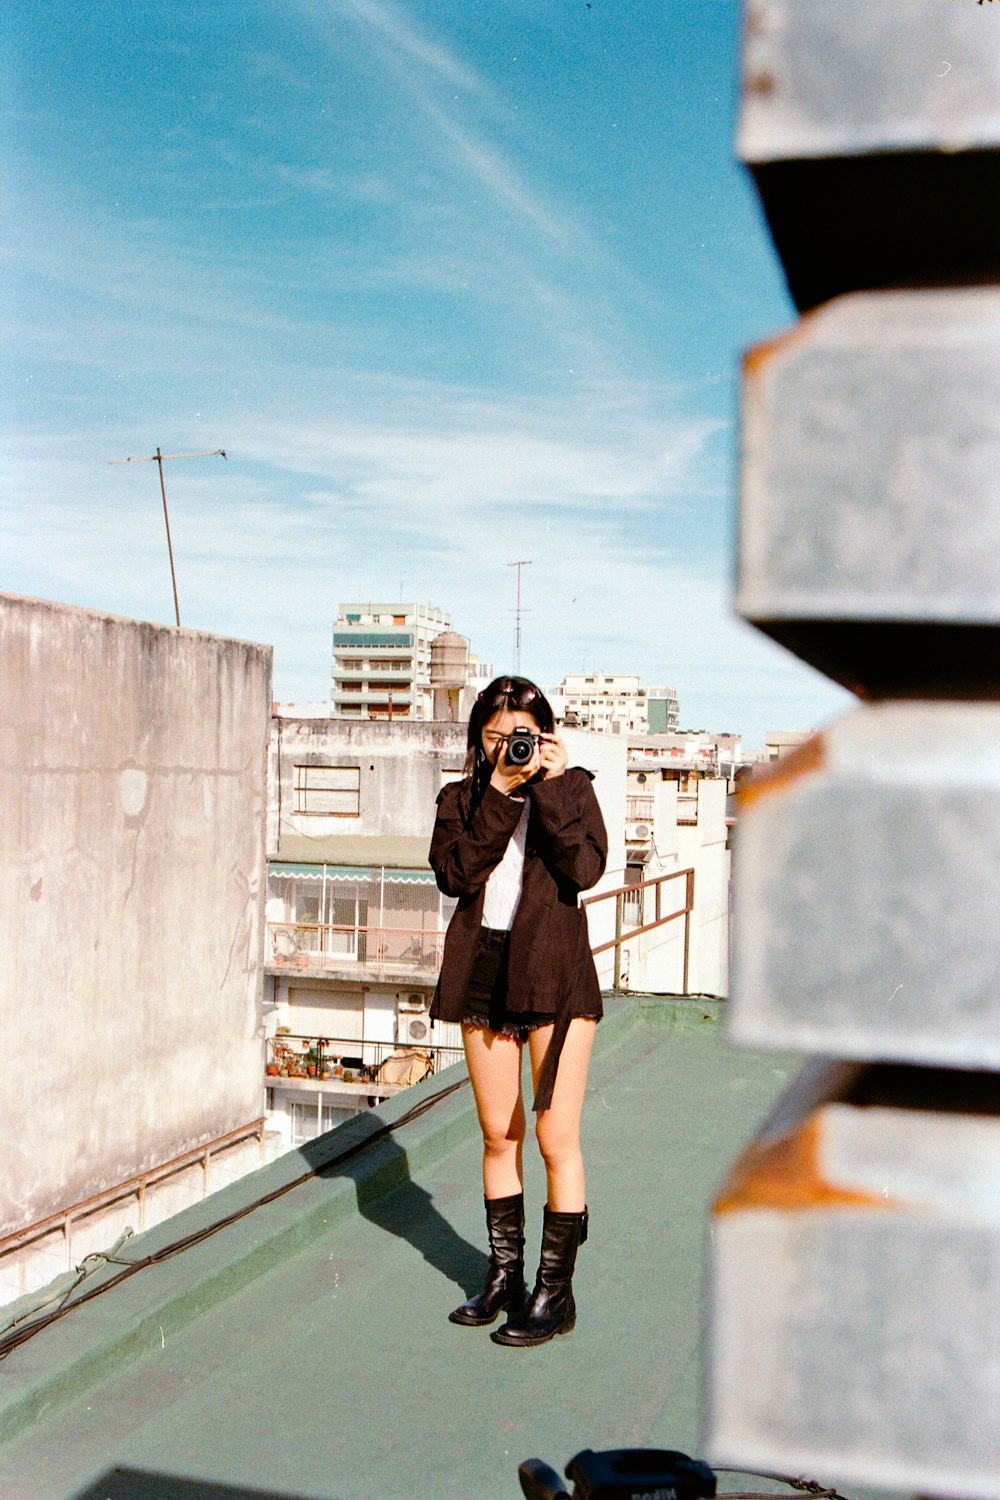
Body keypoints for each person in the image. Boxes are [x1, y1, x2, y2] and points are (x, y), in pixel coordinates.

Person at [428, 674, 608, 1347]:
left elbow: (584, 871)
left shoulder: (574, 790)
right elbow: (455, 875)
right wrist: (501, 792)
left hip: (554, 976)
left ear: (549, 737)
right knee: (497, 1135)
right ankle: (505, 1276)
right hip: (486, 971)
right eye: (499, 735)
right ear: (479, 737)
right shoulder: (461, 799)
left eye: (525, 735)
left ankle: (554, 1293)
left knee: (555, 1136)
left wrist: (552, 790)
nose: (513, 745)